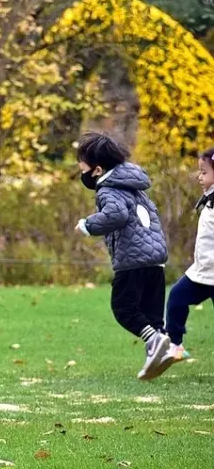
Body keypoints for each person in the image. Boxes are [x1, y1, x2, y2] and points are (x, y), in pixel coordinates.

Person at [74, 132, 169, 380]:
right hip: (156, 260)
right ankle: (161, 354)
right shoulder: (134, 187)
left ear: (96, 170)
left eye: (81, 168)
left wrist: (88, 225)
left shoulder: (108, 190)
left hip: (132, 260)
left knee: (123, 308)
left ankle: (156, 341)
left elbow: (116, 215)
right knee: (151, 315)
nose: (80, 173)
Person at [159, 147, 214, 374]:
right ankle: (176, 345)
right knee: (176, 298)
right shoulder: (209, 199)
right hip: (202, 273)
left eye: (204, 172)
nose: (199, 177)